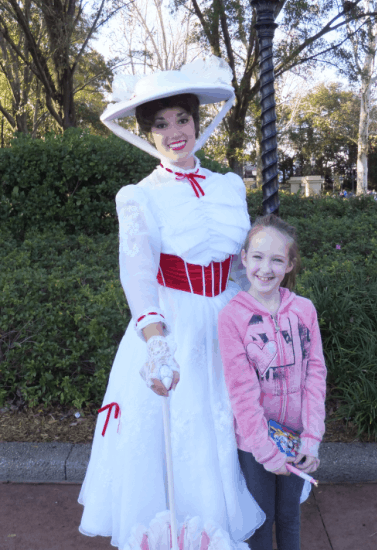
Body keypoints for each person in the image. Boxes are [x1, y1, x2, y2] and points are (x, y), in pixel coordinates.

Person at [78, 57, 264, 549]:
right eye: (160, 125)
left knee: (225, 433)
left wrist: (265, 318)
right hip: (175, 323)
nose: (174, 132)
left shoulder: (229, 186)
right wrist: (158, 347)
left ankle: (220, 530)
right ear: (148, 134)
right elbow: (137, 277)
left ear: (197, 122)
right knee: (181, 436)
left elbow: (243, 267)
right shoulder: (140, 196)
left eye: (182, 119)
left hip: (228, 323)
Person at [218, 214, 327, 550]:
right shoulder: (232, 317)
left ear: (290, 264)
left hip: (296, 438)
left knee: (290, 517)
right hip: (256, 447)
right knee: (262, 522)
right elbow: (241, 392)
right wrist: (266, 451)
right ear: (245, 259)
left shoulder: (304, 310)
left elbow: (315, 376)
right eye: (258, 258)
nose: (266, 269)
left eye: (277, 260)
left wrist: (310, 439)